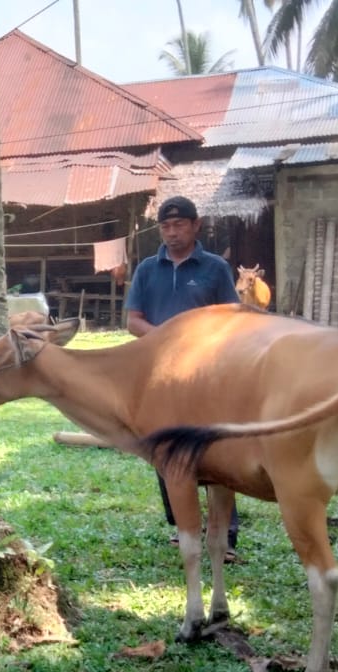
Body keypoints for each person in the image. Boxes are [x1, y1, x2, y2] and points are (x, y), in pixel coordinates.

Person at [125, 195, 244, 561]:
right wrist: (167, 339)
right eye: (165, 226)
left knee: (216, 447)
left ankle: (225, 535)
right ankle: (182, 527)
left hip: (207, 373)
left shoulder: (215, 268)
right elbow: (132, 320)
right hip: (160, 374)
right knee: (166, 448)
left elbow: (232, 318)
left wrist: (195, 344)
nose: (172, 233)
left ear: (195, 225)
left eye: (179, 225)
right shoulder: (147, 268)